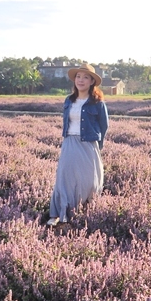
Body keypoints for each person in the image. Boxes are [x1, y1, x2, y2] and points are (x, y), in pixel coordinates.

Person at [46, 64, 109, 227]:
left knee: (88, 180)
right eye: (78, 77)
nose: (81, 80)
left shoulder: (97, 102)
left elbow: (104, 125)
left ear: (92, 81)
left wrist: (97, 145)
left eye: (85, 77)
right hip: (70, 142)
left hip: (88, 142)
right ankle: (59, 214)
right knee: (64, 177)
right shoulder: (69, 100)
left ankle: (84, 211)